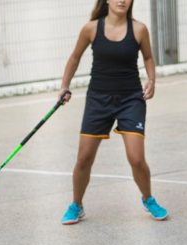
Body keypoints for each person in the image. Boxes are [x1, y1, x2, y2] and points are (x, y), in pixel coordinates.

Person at [57, 0, 168, 224]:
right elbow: (75, 57)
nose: (122, 0)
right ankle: (76, 205)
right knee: (84, 158)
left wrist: (152, 80)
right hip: (98, 99)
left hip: (131, 99)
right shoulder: (91, 28)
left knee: (136, 158)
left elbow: (148, 57)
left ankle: (148, 199)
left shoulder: (139, 29)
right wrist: (64, 86)